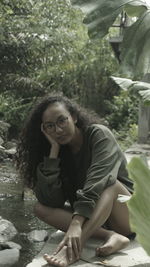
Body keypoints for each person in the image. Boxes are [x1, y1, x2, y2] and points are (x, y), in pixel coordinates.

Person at [17, 93, 134, 267]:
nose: (57, 130)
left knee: (111, 185)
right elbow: (51, 200)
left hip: (126, 215)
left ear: (74, 117)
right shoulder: (60, 150)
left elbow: (98, 181)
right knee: (40, 208)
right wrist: (54, 152)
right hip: (96, 217)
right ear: (44, 130)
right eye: (50, 126)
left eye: (62, 121)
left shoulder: (99, 135)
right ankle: (110, 236)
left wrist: (76, 224)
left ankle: (73, 249)